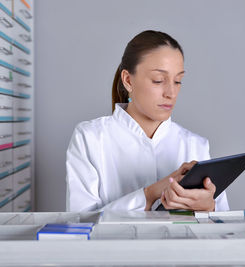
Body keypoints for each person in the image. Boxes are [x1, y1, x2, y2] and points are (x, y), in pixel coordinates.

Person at [66, 30, 229, 212]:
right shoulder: (90, 138)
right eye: (158, 80)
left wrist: (209, 210)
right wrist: (150, 194)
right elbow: (80, 224)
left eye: (178, 81)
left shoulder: (196, 145)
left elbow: (223, 229)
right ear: (128, 80)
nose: (171, 93)